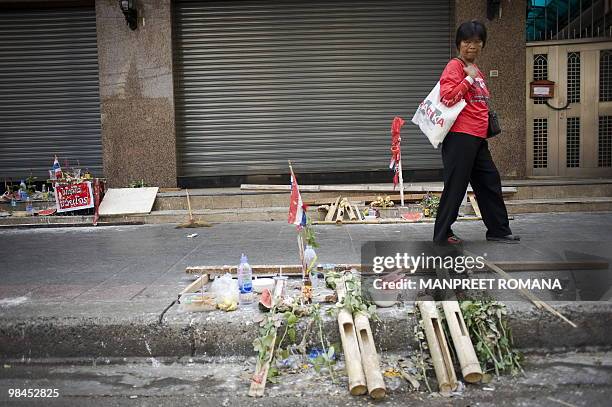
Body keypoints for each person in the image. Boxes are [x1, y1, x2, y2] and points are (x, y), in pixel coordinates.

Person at [433, 20, 519, 245]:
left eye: (477, 41)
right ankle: (443, 235)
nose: (472, 46)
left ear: (483, 44)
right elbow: (448, 96)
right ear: (459, 44)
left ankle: (498, 230)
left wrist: (473, 77)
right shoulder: (455, 66)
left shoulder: (476, 69)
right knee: (456, 185)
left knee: (489, 181)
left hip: (477, 138)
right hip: (460, 137)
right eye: (467, 41)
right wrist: (469, 78)